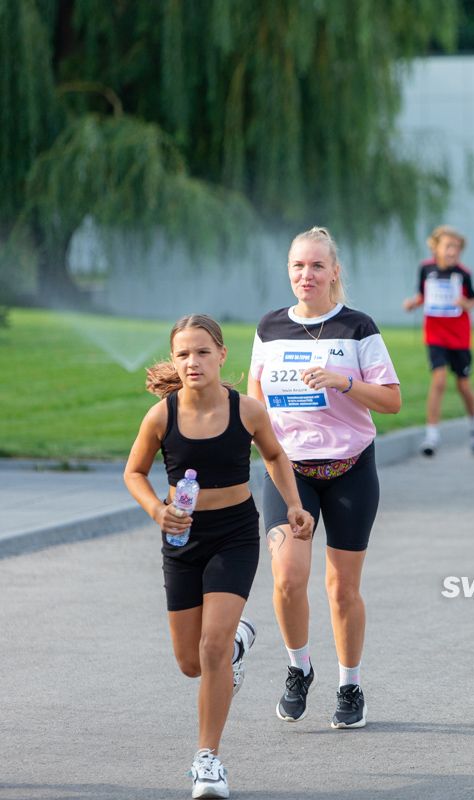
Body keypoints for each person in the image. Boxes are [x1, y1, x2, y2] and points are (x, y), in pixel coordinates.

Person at [124, 314, 313, 799]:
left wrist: (293, 504)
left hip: (234, 534)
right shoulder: (162, 416)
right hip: (181, 540)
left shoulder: (246, 410)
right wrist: (156, 511)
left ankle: (207, 760)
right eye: (183, 353)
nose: (192, 362)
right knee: (192, 662)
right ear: (174, 359)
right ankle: (236, 647)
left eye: (203, 352)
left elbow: (274, 455)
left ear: (222, 355)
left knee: (210, 648)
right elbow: (134, 473)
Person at [249, 226, 401, 730]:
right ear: (288, 272)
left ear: (335, 271)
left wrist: (345, 382)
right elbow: (255, 400)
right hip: (288, 471)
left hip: (350, 469)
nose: (306, 275)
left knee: (341, 589)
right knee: (288, 579)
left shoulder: (358, 328)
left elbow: (392, 401)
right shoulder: (270, 327)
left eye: (317, 266)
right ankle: (299, 669)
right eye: (297, 266)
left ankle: (350, 684)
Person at [402, 225, 474, 456]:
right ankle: (432, 436)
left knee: (463, 385)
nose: (452, 251)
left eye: (456, 247)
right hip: (435, 335)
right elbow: (422, 295)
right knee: (438, 381)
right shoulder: (426, 269)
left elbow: (473, 300)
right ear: (435, 247)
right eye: (448, 246)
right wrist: (412, 303)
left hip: (459, 337)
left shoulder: (463, 274)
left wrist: (464, 304)